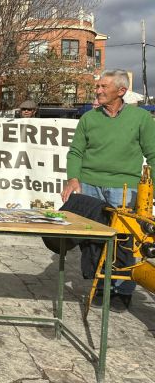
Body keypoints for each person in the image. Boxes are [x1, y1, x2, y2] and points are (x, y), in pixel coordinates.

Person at [61, 69, 155, 312]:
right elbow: (76, 153)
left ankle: (123, 290)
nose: (98, 90)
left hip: (125, 188)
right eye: (98, 86)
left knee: (124, 240)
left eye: (104, 87)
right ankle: (102, 284)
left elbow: (153, 155)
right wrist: (73, 179)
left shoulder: (140, 119)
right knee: (92, 238)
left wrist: (151, 189)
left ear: (121, 91)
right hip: (90, 185)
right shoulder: (89, 119)